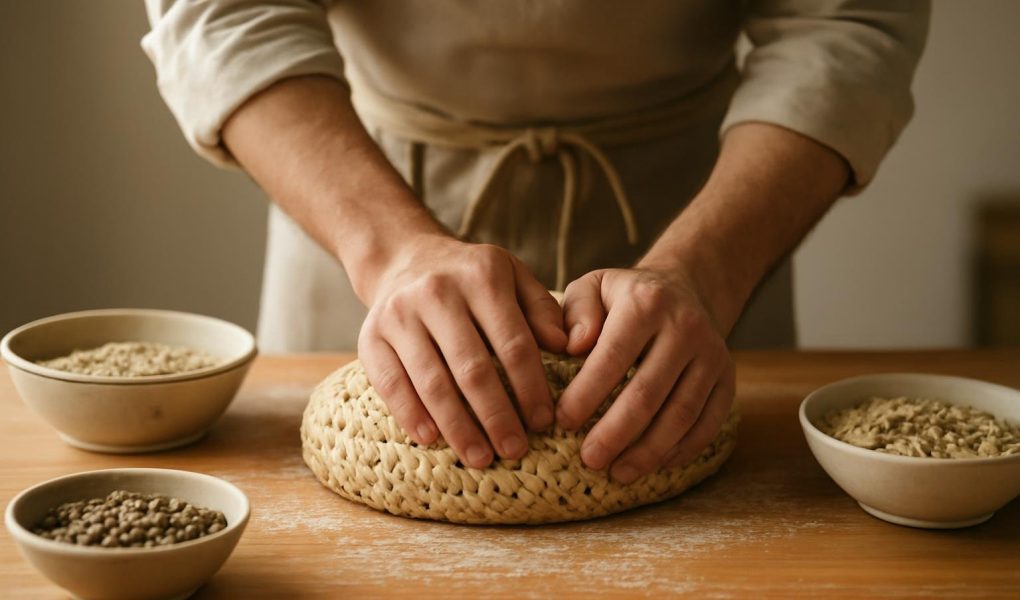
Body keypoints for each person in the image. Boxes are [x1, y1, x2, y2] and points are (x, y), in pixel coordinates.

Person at [143, 1, 929, 484]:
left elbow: (844, 22)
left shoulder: (704, 260)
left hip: (696, 207)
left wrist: (703, 270)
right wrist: (390, 254)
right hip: (358, 193)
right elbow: (224, 10)